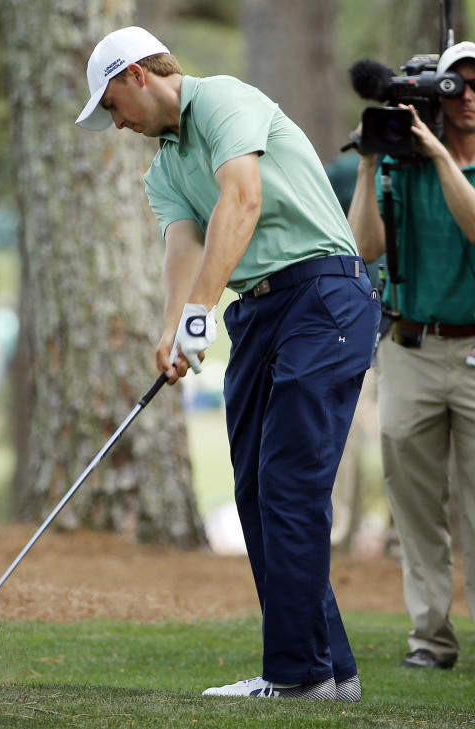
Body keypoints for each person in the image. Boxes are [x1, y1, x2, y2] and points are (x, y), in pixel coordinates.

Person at [75, 26, 379, 701]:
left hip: (323, 297)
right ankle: (333, 672)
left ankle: (296, 675)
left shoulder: (223, 101)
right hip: (260, 315)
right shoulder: (162, 170)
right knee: (256, 492)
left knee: (289, 486)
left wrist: (200, 311)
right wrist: (171, 328)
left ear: (138, 77)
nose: (116, 123)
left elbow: (243, 198)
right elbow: (183, 247)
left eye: (111, 104)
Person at [347, 40, 475, 671]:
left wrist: (439, 156)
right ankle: (430, 638)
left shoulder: (440, 160)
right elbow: (364, 248)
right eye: (459, 85)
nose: (469, 97)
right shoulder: (399, 166)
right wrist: (372, 167)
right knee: (417, 507)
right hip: (410, 347)